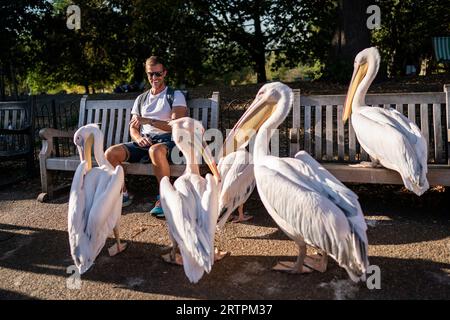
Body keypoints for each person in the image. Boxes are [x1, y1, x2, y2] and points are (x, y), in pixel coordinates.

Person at [105, 55, 187, 218]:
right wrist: (137, 138)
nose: (154, 78)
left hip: (169, 141)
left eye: (158, 74)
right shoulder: (141, 99)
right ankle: (123, 194)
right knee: (110, 154)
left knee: (155, 150)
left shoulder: (175, 95)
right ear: (147, 74)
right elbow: (133, 128)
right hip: (145, 141)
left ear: (164, 73)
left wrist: (149, 120)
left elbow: (176, 125)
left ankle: (164, 197)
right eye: (151, 74)